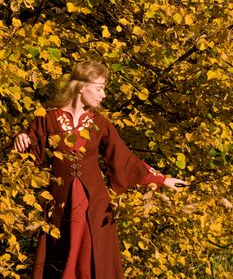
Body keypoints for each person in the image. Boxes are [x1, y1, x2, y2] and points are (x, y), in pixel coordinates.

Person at [14, 60, 187, 279]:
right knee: (59, 258)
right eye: (99, 88)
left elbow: (123, 157)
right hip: (59, 203)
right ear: (81, 87)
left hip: (94, 204)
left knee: (93, 258)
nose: (103, 95)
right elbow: (32, 152)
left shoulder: (100, 123)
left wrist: (162, 180)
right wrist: (21, 138)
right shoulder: (47, 119)